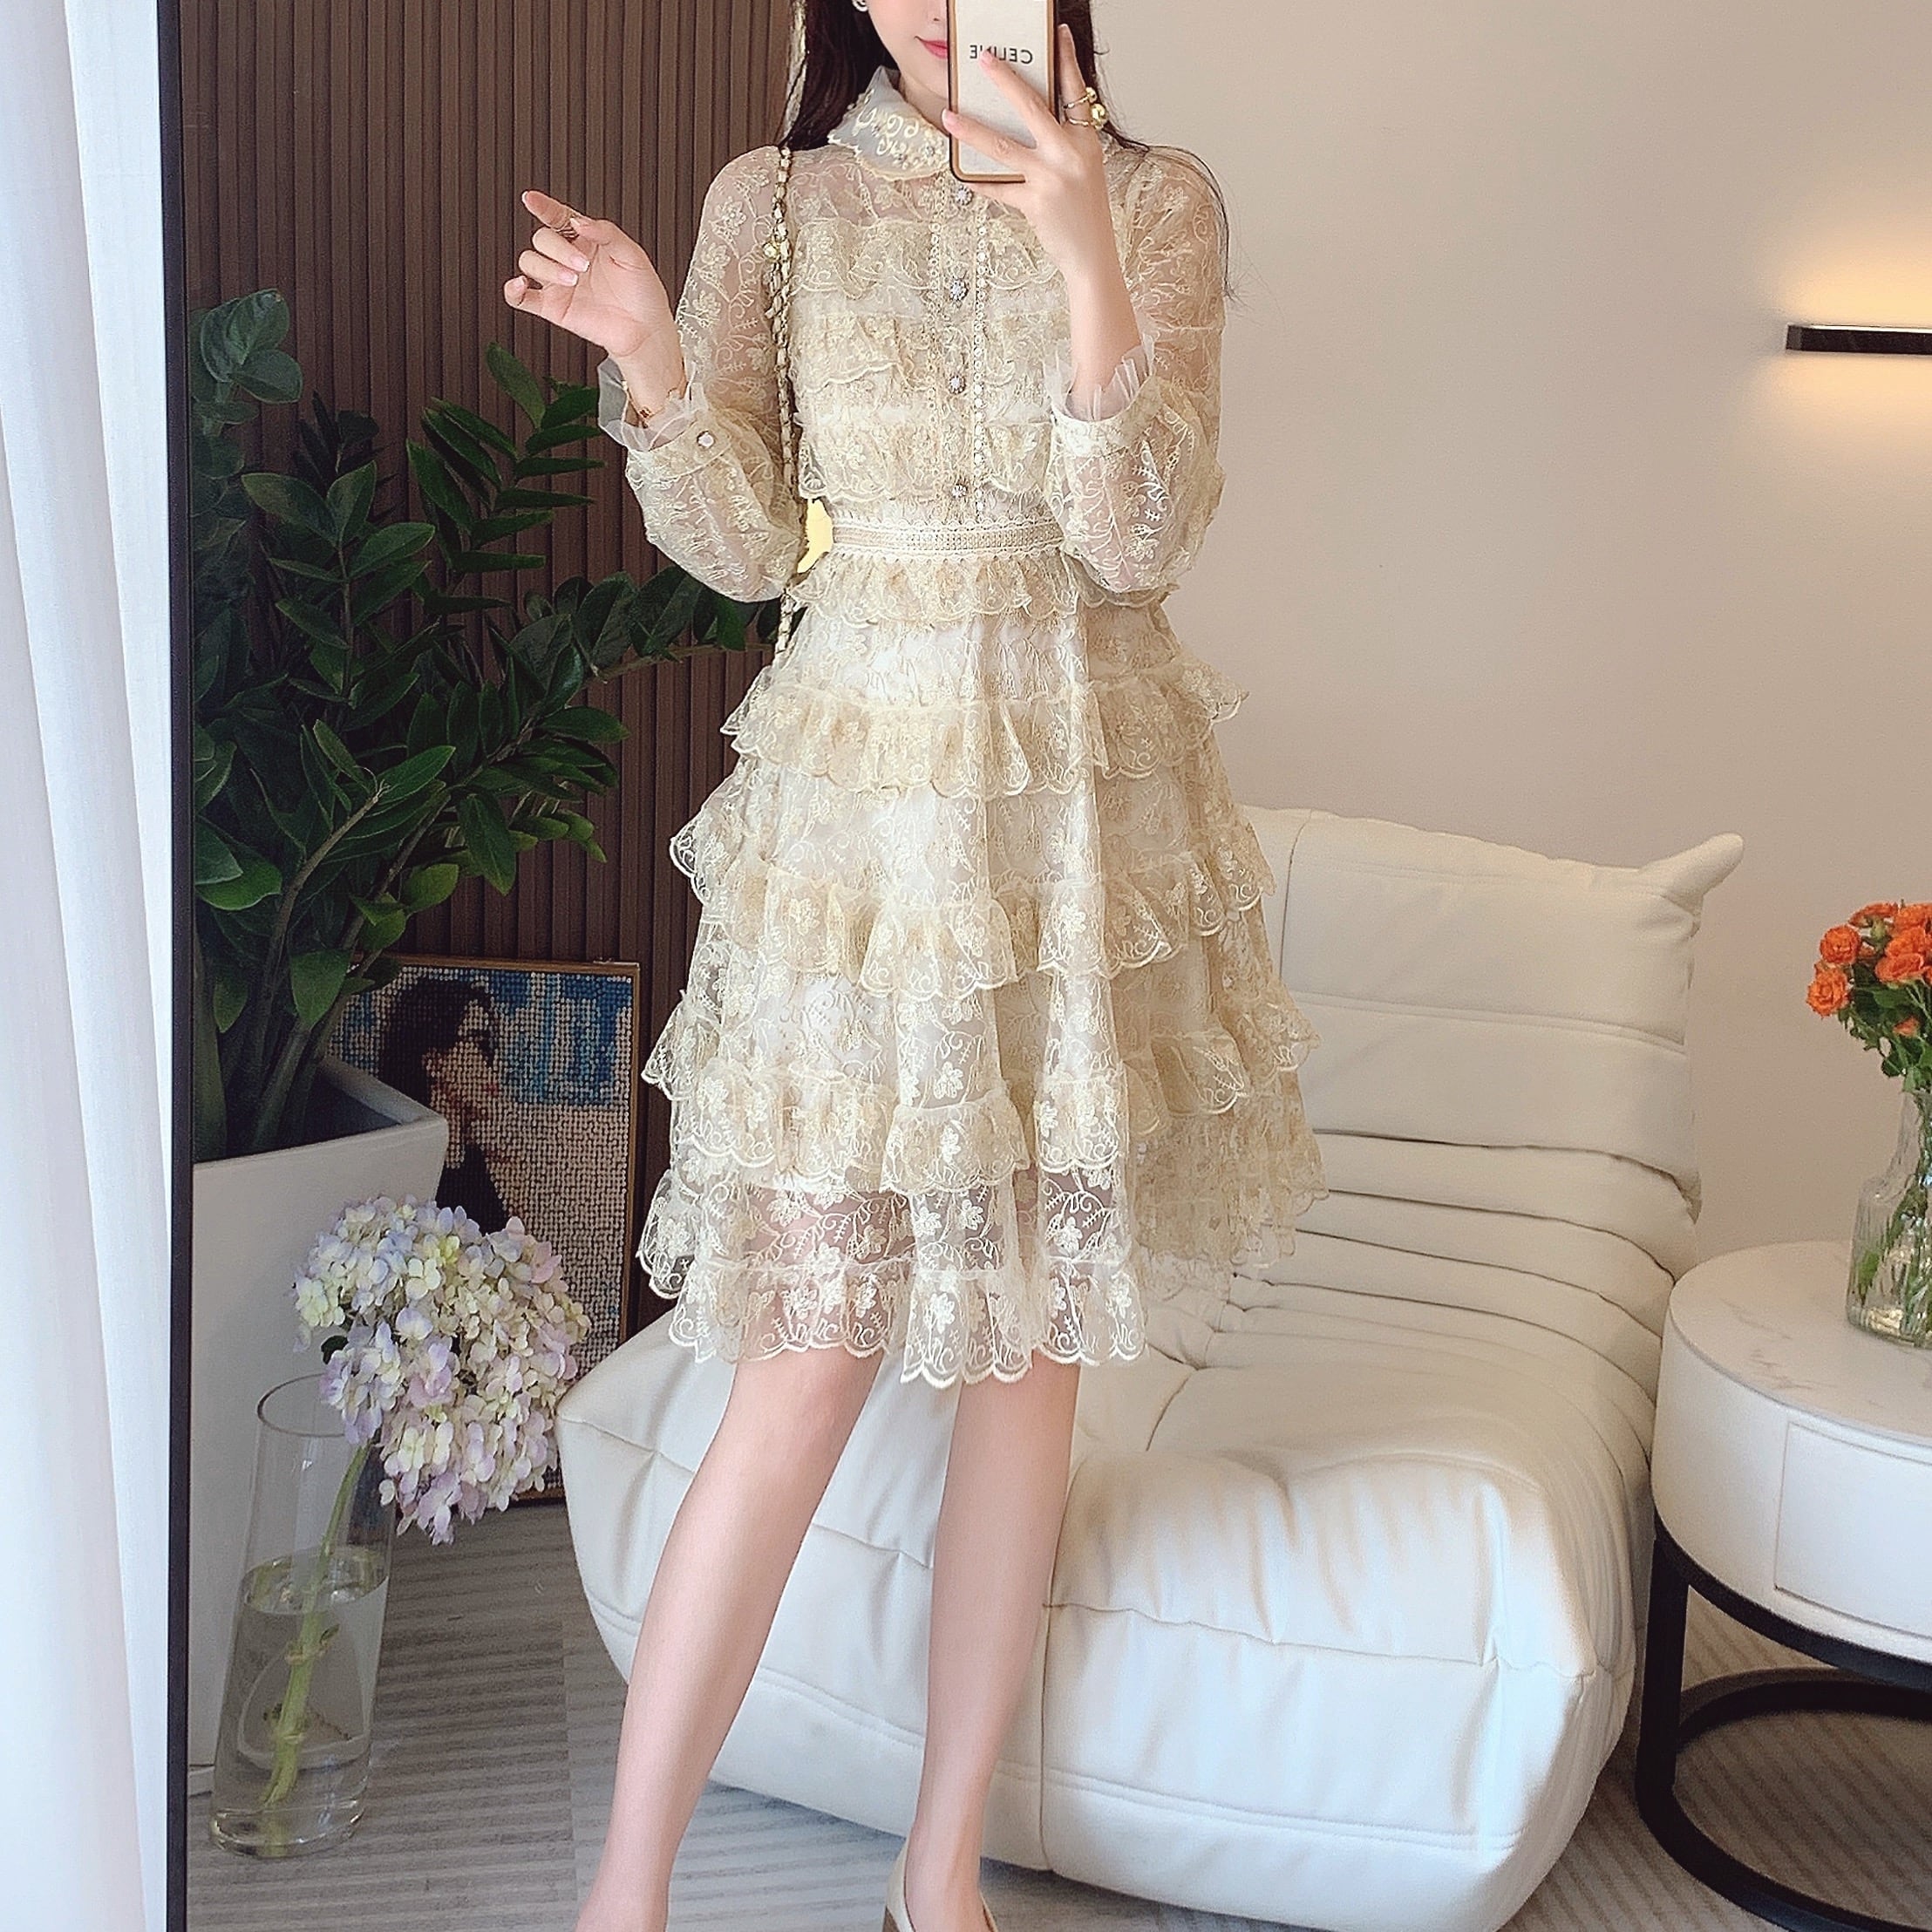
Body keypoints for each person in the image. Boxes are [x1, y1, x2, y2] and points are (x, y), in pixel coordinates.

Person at [504, 5, 1326, 1928]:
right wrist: (651, 357)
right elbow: (746, 549)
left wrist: (1084, 255)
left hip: (1074, 823)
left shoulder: (1160, 199)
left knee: (1027, 1368)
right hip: (863, 831)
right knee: (799, 1369)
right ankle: (625, 1897)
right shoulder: (776, 200)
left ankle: (938, 1872)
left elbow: (1140, 540)